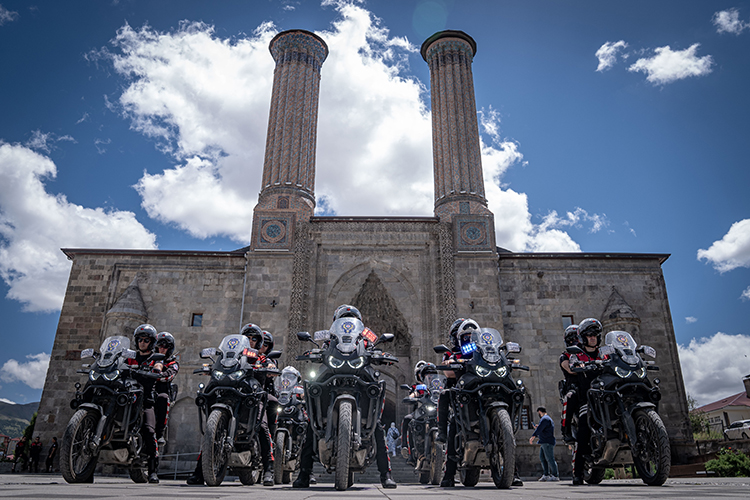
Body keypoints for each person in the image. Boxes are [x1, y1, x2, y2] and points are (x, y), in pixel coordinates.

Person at [293, 305, 397, 489]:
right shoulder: (330, 340)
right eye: (345, 317)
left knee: (377, 426)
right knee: (312, 423)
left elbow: (375, 348)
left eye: (351, 317)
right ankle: (304, 473)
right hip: (333, 377)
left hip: (360, 378)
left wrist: (380, 355)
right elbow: (321, 349)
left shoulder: (366, 338)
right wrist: (313, 353)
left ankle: (385, 474)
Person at [570, 318, 605, 486]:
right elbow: (571, 366)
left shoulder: (605, 354)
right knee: (584, 427)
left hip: (607, 396)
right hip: (588, 399)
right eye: (589, 335)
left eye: (595, 335)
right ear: (583, 338)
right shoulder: (578, 354)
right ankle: (577, 473)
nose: (593, 338)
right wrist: (578, 365)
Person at [127, 323, 160, 483]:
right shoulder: (129, 356)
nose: (142, 343)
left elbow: (159, 367)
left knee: (148, 430)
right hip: (126, 398)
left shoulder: (155, 358)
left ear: (152, 342)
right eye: (140, 339)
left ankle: (153, 470)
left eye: (146, 340)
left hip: (145, 400)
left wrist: (156, 370)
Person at [153, 332, 179, 446]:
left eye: (165, 346)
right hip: (144, 389)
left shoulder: (172, 363)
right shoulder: (149, 359)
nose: (162, 349)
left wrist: (157, 375)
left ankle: (159, 433)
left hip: (159, 391)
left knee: (163, 398)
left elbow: (170, 374)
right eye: (160, 346)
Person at [559, 324, 580, 444]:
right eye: (571, 340)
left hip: (593, 384)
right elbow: (569, 368)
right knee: (570, 397)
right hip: (575, 386)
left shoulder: (589, 353)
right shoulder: (565, 356)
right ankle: (565, 430)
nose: (574, 342)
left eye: (576, 339)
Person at [529, 407, 559, 481]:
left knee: (550, 458)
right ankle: (546, 474)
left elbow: (540, 429)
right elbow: (542, 429)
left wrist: (533, 436)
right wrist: (538, 427)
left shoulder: (545, 419)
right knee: (542, 458)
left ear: (539, 412)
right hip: (544, 442)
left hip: (547, 442)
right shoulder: (546, 419)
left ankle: (555, 475)